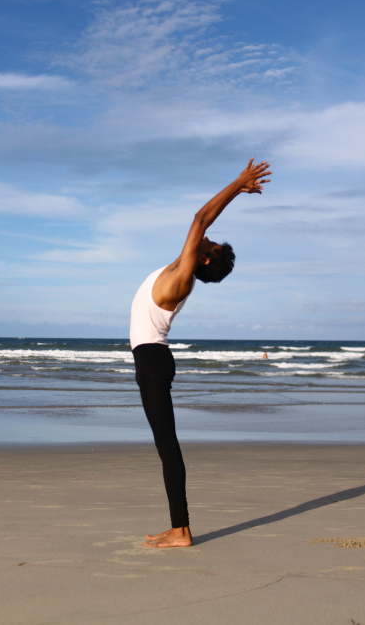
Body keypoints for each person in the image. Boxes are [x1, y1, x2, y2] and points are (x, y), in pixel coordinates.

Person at [129, 157, 272, 548]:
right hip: (152, 361)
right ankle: (178, 527)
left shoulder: (183, 275)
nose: (205, 237)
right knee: (165, 444)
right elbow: (199, 225)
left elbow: (199, 218)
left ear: (204, 258)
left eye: (209, 243)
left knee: (167, 446)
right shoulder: (180, 267)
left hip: (153, 361)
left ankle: (182, 530)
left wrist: (237, 184)